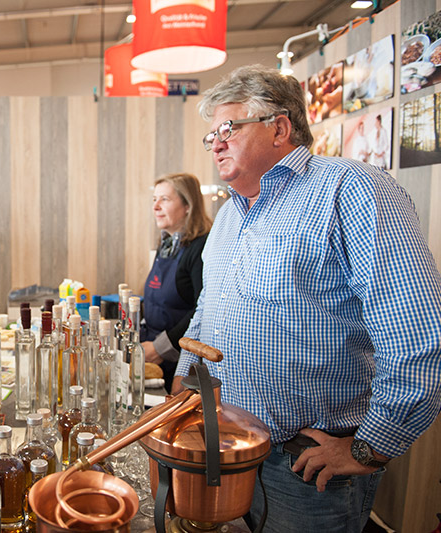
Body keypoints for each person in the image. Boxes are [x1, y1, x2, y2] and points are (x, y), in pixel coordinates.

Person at [175, 65, 441, 532]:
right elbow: (207, 313)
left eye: (227, 128)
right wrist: (183, 387)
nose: (215, 143)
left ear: (279, 127)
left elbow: (417, 335)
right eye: (210, 134)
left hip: (305, 465)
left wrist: (369, 446)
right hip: (229, 448)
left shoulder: (352, 190)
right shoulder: (230, 215)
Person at [139, 173, 211, 392]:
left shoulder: (201, 248)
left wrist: (159, 349)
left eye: (165, 200)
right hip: (152, 352)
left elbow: (204, 310)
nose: (156, 207)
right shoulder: (167, 244)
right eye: (154, 199)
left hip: (179, 360)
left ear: (188, 205)